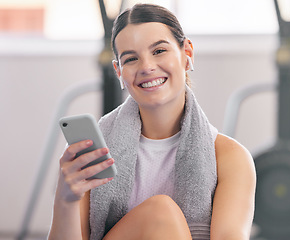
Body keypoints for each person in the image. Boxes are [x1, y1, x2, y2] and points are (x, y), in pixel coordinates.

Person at [48, 3, 256, 240]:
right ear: (119, 71)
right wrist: (65, 200)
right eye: (131, 59)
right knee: (161, 212)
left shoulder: (230, 157)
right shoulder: (90, 154)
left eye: (159, 51)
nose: (146, 67)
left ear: (187, 53)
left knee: (162, 211)